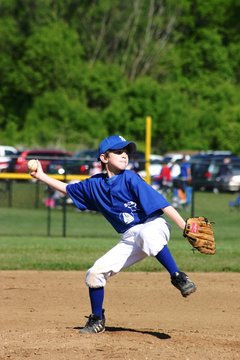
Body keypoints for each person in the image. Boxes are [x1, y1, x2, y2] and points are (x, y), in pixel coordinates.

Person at [29, 135, 197, 334]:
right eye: (118, 152)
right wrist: (41, 176)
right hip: (130, 236)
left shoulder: (131, 178)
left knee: (147, 235)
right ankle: (97, 319)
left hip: (153, 225)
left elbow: (162, 204)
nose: (124, 155)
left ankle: (178, 276)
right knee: (94, 274)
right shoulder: (95, 185)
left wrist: (184, 227)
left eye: (126, 152)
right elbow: (68, 189)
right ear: (104, 158)